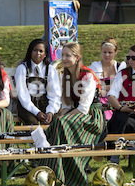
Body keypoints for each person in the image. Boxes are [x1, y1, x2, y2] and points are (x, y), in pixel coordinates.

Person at [41, 42, 105, 186]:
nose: (63, 58)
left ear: (77, 57)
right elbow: (66, 105)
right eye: (62, 55)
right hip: (76, 114)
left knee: (61, 123)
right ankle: (54, 172)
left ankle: (59, 173)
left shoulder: (88, 75)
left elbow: (84, 108)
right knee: (58, 123)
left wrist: (64, 119)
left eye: (68, 55)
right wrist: (62, 117)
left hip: (92, 116)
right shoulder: (65, 75)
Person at [15, 39, 61, 125]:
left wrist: (50, 111)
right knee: (33, 123)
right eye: (35, 50)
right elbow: (23, 96)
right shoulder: (22, 68)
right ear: (30, 52)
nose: (38, 53)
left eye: (41, 51)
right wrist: (37, 112)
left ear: (45, 54)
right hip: (27, 106)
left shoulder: (50, 70)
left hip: (45, 104)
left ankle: (51, 138)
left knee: (56, 122)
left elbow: (55, 95)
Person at [90, 37, 126, 121]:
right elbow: (93, 86)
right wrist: (112, 86)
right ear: (101, 51)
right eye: (104, 52)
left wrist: (103, 88)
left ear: (115, 52)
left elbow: (122, 86)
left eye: (110, 52)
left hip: (116, 98)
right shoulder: (95, 66)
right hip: (99, 99)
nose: (107, 55)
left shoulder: (120, 66)